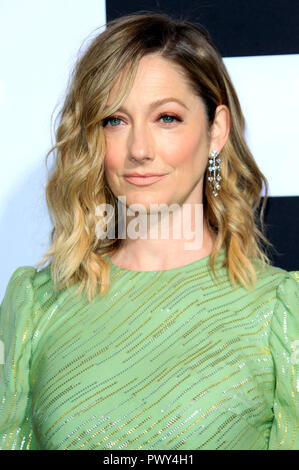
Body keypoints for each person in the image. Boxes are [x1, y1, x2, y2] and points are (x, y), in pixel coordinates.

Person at [0, 12, 298, 451]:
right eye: (114, 121)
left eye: (167, 118)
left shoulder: (280, 313)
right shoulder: (38, 306)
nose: (139, 150)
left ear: (216, 130)